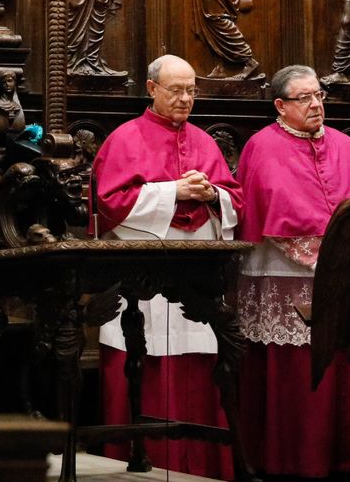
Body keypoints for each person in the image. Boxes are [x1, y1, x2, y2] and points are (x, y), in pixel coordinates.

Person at [235, 64, 350, 480]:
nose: (315, 105)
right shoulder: (261, 146)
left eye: (319, 95)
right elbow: (269, 204)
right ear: (280, 105)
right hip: (287, 275)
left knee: (347, 364)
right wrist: (323, 251)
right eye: (304, 98)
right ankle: (292, 461)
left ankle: (349, 458)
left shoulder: (343, 143)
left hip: (344, 281)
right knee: (295, 368)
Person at [92, 55, 241, 480]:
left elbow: (235, 199)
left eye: (192, 90)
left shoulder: (204, 141)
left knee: (200, 363)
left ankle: (204, 465)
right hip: (142, 269)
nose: (185, 98)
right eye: (176, 90)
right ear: (151, 88)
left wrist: (213, 194)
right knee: (145, 361)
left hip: (196, 271)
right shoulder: (124, 138)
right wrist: (172, 191)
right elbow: (110, 203)